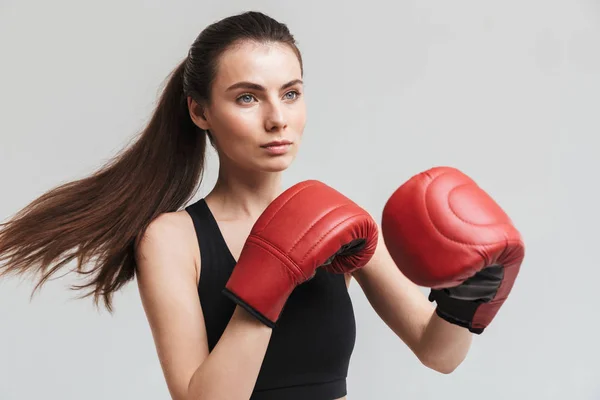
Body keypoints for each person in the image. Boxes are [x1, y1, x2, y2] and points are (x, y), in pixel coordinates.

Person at [0, 10, 525, 400]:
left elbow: (439, 354)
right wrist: (271, 275)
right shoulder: (172, 238)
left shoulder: (338, 222)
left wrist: (468, 296)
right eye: (247, 97)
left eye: (291, 93)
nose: (278, 118)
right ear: (200, 111)